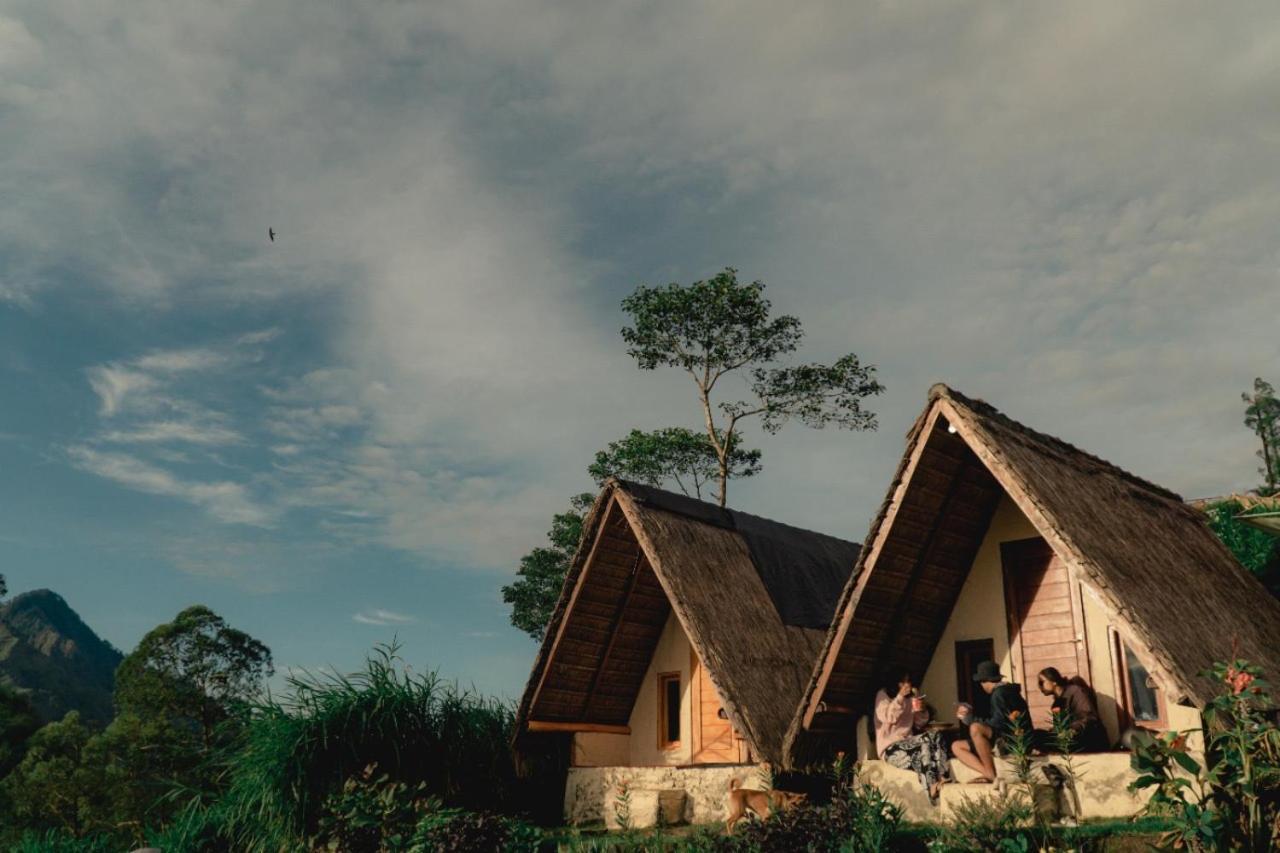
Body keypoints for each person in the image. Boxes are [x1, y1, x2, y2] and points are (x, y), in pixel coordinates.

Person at [873, 669, 952, 802]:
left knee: (936, 735)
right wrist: (900, 697)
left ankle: (942, 776)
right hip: (890, 748)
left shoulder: (910, 699)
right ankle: (932, 784)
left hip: (909, 742)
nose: (906, 684)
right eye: (903, 681)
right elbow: (889, 717)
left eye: (908, 681)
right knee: (925, 743)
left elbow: (919, 723)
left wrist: (922, 710)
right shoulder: (883, 695)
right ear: (896, 683)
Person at [950, 660, 1030, 783]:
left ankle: (990, 773)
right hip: (1015, 736)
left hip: (1012, 740)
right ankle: (987, 773)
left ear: (984, 681)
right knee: (956, 746)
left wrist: (970, 719)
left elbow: (998, 723)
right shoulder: (1008, 691)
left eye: (981, 682)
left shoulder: (999, 693)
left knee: (975, 728)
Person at [1037, 667, 1110, 752]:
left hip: (1088, 740)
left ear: (1054, 681)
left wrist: (1072, 730)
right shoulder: (1057, 703)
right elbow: (1059, 728)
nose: (1039, 686)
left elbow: (1090, 717)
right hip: (1069, 741)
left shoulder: (1076, 691)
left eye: (1041, 682)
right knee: (1037, 735)